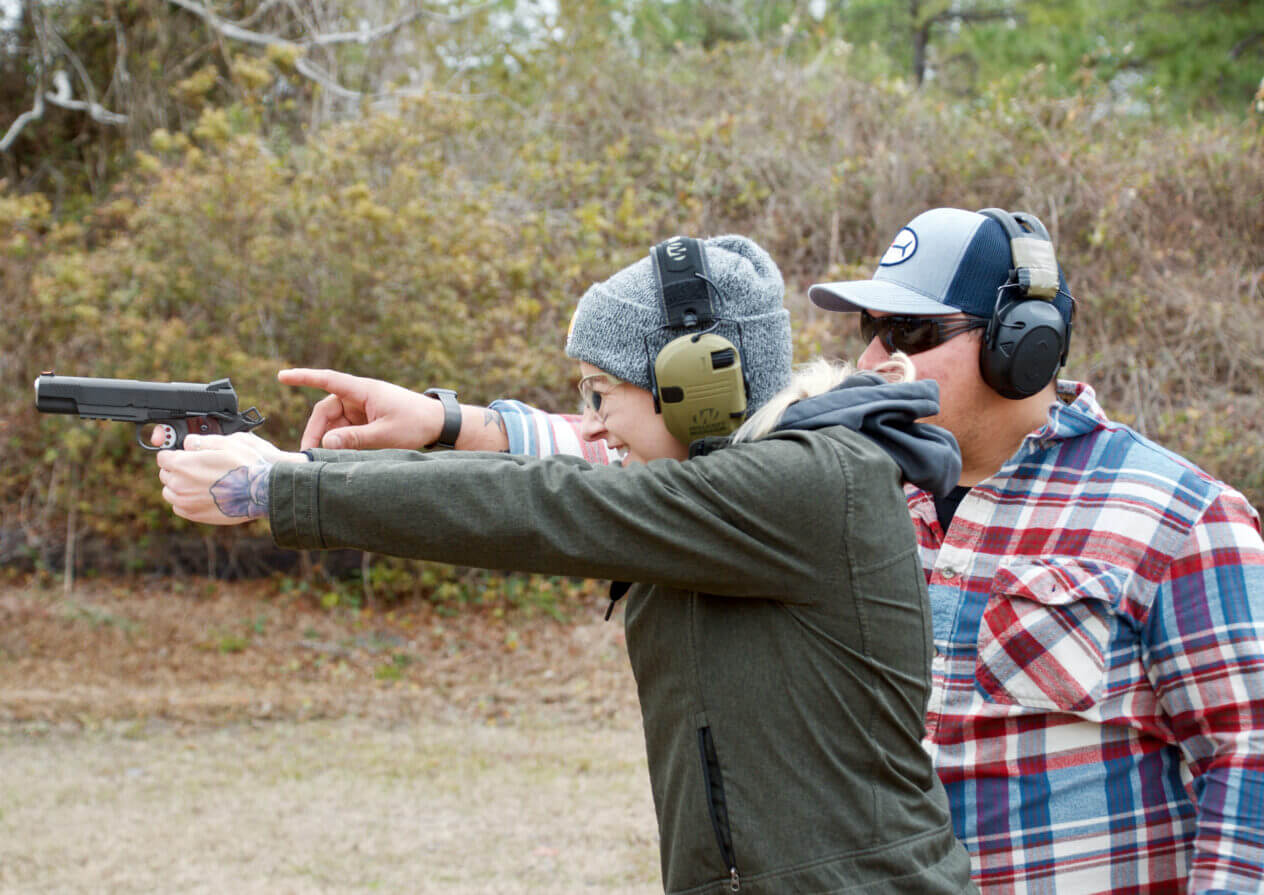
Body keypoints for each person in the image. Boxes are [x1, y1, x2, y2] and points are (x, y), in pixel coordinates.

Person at [284, 209, 1264, 894]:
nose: (881, 353)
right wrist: (451, 424)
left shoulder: (1174, 519)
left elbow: (1247, 762)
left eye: (915, 330)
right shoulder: (849, 474)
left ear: (1026, 342)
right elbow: (639, 475)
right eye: (870, 326)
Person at [156, 235, 976, 893]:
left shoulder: (805, 483)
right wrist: (432, 423)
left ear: (696, 380)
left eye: (598, 391)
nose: (590, 422)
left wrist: (277, 485)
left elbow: (545, 503)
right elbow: (555, 471)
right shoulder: (721, 490)